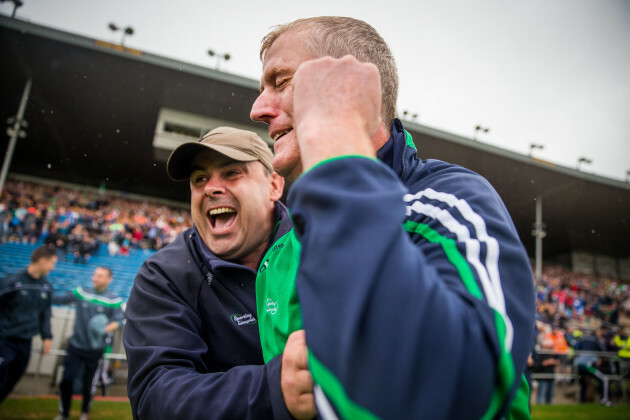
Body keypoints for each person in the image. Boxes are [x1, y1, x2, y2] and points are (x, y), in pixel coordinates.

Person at [250, 16, 536, 419]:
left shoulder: (452, 200)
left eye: (280, 82)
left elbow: (464, 397)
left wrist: (335, 148)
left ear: (348, 83)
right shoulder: (275, 260)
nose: (257, 109)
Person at [123, 127, 308, 419]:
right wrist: (274, 389)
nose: (210, 188)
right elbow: (155, 396)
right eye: (199, 179)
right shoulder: (165, 275)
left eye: (232, 172)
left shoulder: (317, 244)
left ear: (274, 185)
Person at [53, 266, 124, 420]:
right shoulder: (81, 292)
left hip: (95, 349)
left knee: (88, 383)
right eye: (95, 275)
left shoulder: (113, 300)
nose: (95, 278)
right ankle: (64, 413)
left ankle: (84, 412)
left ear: (108, 279)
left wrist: (105, 328)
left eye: (100, 276)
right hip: (76, 346)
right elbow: (59, 299)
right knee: (67, 379)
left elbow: (119, 320)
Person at [0, 246, 56, 402]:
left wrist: (47, 337)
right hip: (5, 340)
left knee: (13, 379)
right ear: (42, 260)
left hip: (26, 342)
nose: (53, 267)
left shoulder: (46, 286)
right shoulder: (12, 282)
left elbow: (45, 314)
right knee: (1, 377)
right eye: (52, 263)